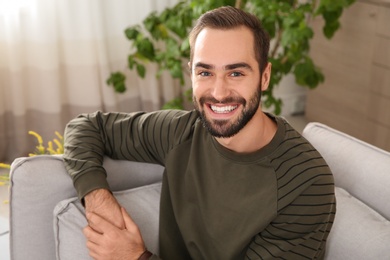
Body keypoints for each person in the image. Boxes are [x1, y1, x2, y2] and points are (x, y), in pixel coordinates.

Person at [63, 6, 336, 260]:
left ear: (264, 77)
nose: (218, 93)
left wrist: (136, 257)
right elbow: (86, 127)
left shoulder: (306, 182)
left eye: (236, 73)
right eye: (205, 73)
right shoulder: (180, 132)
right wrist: (97, 198)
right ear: (191, 75)